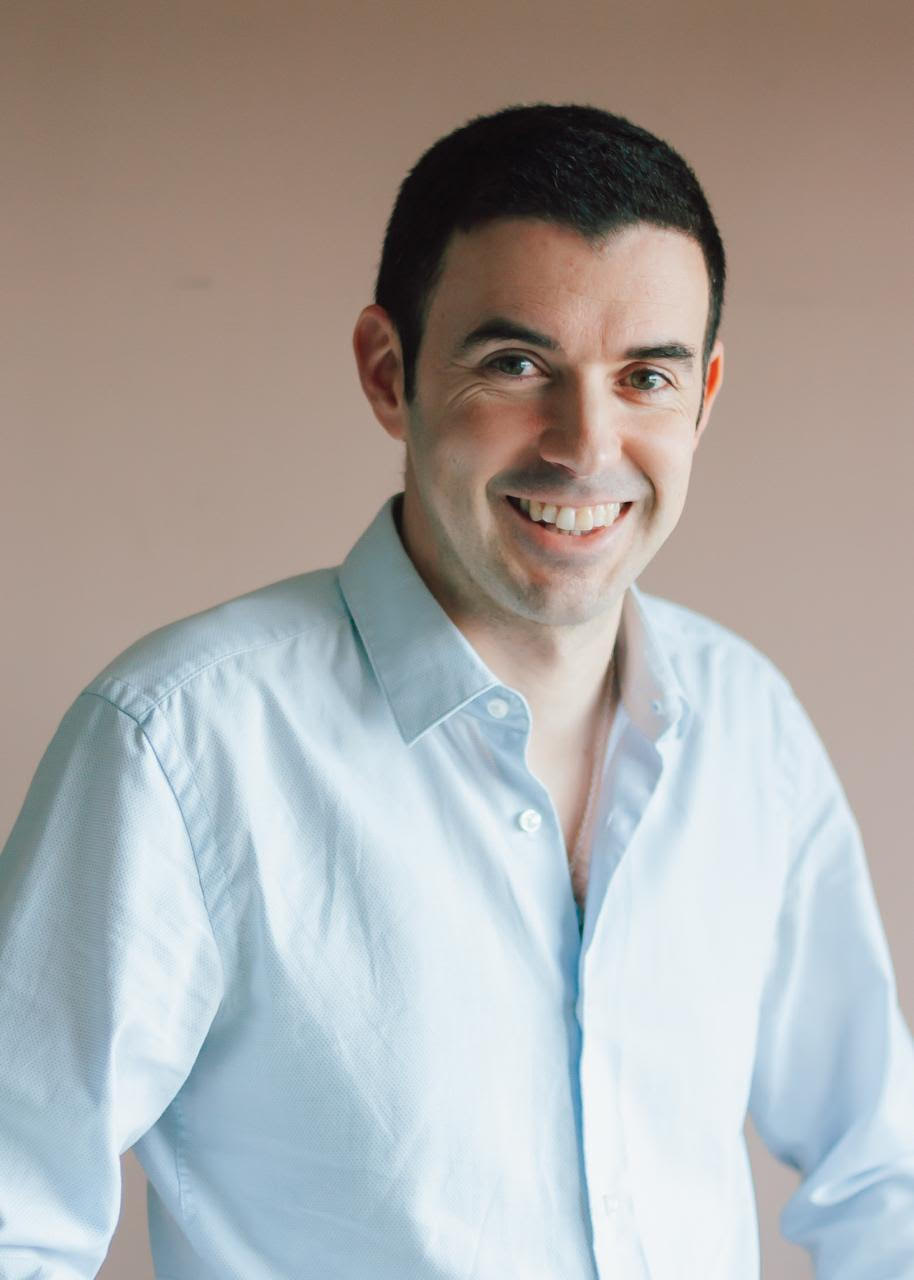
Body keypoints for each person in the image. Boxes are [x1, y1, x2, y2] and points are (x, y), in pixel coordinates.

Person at [1, 103, 912, 1280]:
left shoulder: (750, 727)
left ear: (703, 394)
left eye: (645, 376)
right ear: (390, 374)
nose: (584, 445)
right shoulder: (179, 746)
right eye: (516, 365)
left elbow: (881, 1175)